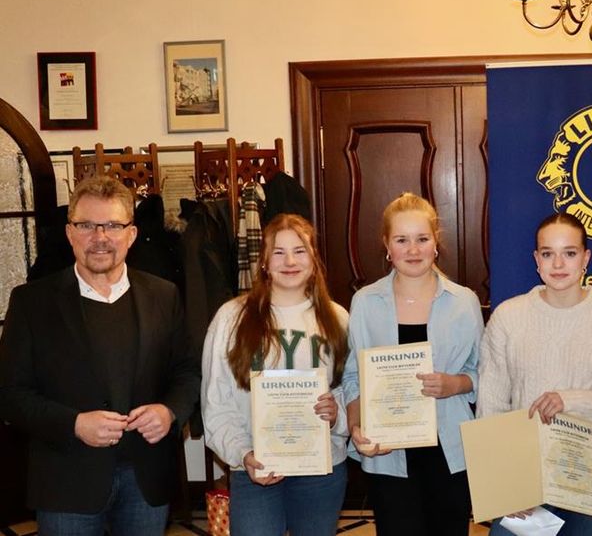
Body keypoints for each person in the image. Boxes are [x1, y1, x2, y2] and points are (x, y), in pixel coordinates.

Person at [0, 176, 200, 536]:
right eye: (87, 225)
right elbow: (10, 396)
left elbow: (186, 372)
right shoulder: (31, 302)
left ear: (132, 234)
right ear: (69, 232)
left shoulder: (164, 295)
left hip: (147, 482)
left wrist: (169, 411)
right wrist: (74, 424)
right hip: (66, 484)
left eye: (112, 225)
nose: (100, 237)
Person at [477, 212, 592, 536]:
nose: (558, 264)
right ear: (535, 259)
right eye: (547, 253)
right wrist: (501, 480)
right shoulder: (508, 318)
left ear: (586, 258)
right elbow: (491, 406)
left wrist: (569, 401)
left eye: (569, 253)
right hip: (524, 471)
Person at [342, 192, 483, 536]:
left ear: (436, 242)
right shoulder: (365, 303)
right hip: (388, 452)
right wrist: (357, 425)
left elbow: (484, 373)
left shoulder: (464, 302)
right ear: (387, 246)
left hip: (450, 451)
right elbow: (353, 377)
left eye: (422, 238)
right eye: (402, 240)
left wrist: (455, 384)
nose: (413, 249)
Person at [201, 214, 349, 536]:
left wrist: (337, 414)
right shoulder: (231, 318)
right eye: (278, 252)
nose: (290, 261)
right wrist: (244, 453)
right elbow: (217, 401)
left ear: (313, 258)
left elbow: (351, 391)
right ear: (264, 261)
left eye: (299, 250)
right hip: (255, 468)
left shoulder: (338, 319)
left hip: (321, 470)